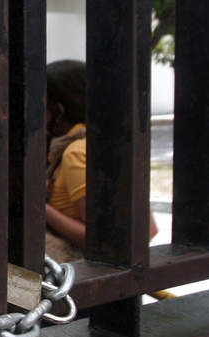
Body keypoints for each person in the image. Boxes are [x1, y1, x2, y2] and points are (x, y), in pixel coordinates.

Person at [44, 59, 156, 259]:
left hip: (83, 271)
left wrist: (40, 208)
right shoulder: (106, 143)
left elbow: (101, 239)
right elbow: (148, 227)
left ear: (59, 111)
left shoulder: (75, 153)